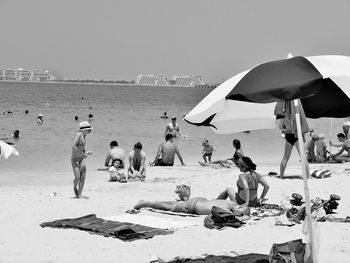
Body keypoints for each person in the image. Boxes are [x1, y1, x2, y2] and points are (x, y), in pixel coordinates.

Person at [71, 121, 93, 199]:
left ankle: (80, 195)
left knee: (83, 176)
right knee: (77, 177)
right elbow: (73, 146)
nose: (89, 132)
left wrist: (86, 152)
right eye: (88, 130)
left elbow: (81, 149)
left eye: (90, 130)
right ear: (83, 130)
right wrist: (83, 154)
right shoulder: (79, 135)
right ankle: (74, 186)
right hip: (75, 159)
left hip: (82, 158)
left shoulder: (84, 136)